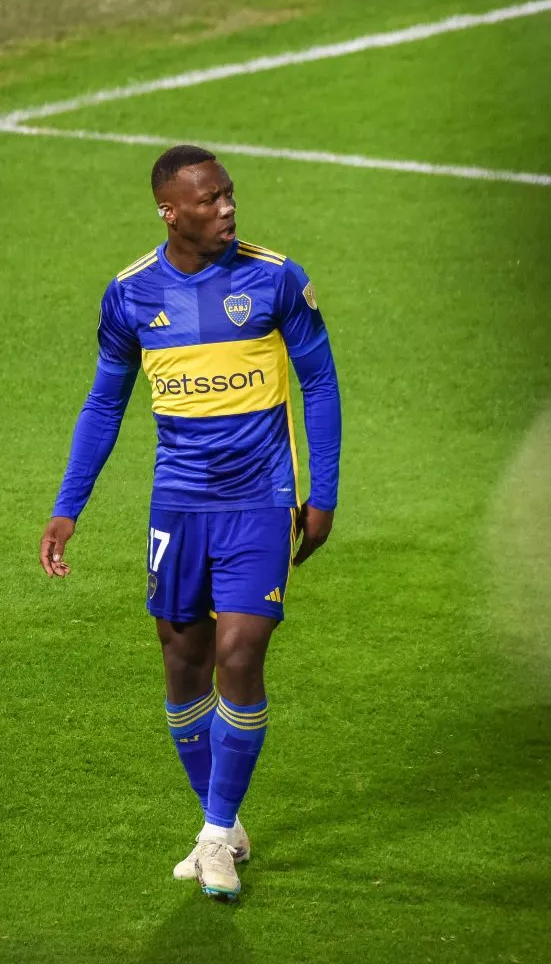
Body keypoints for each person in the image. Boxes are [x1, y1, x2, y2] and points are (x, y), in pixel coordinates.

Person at [38, 145, 342, 902]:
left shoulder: (275, 277)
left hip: (260, 499)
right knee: (183, 661)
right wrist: (68, 507)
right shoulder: (132, 295)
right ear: (169, 212)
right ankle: (224, 819)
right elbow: (105, 403)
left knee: (239, 653)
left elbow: (320, 383)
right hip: (177, 504)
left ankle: (212, 836)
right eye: (208, 201)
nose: (227, 209)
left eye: (230, 194)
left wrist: (323, 492)